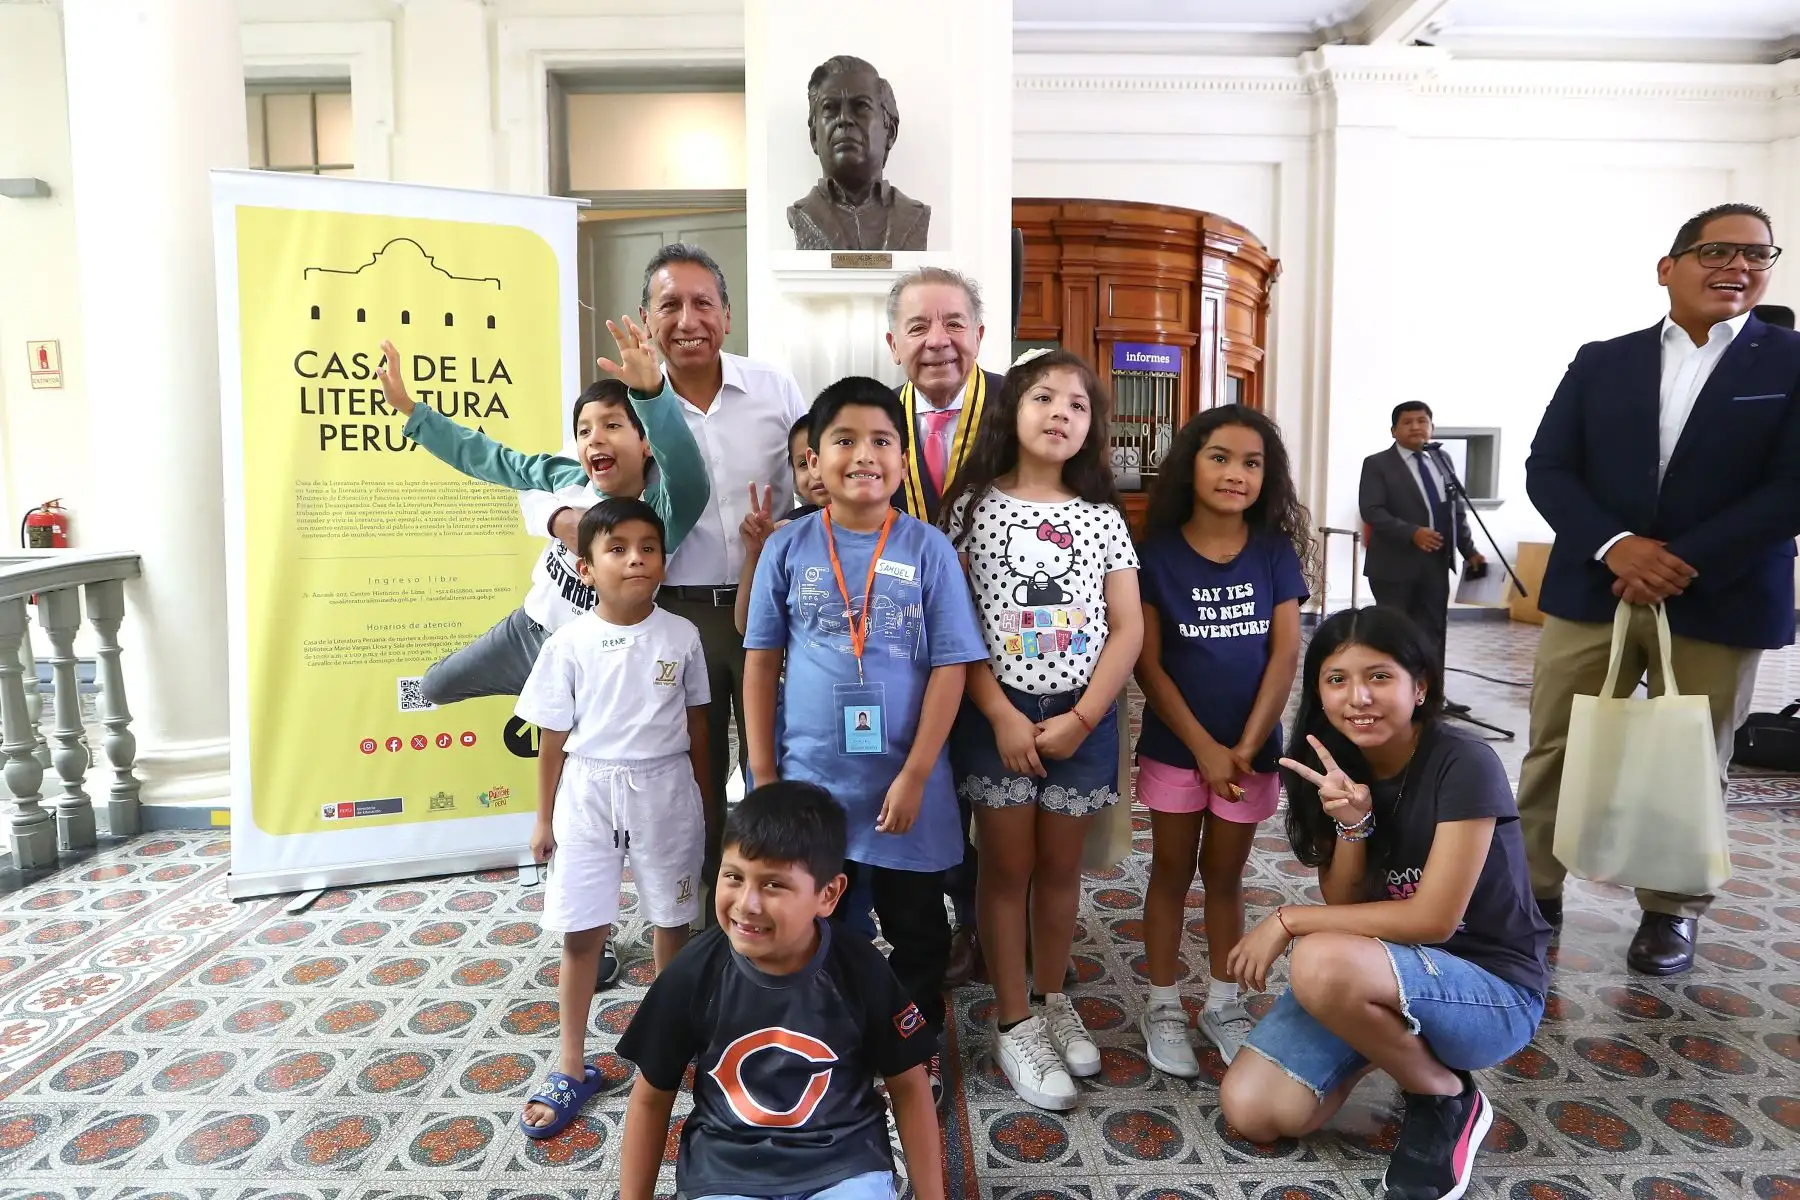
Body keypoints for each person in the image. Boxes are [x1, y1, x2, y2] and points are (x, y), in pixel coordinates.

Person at [377, 322, 708, 989]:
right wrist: (415, 415)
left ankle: (601, 933)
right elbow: (489, 457)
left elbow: (691, 472)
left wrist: (654, 396)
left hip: (594, 678)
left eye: (613, 424)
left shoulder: (660, 507)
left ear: (642, 439)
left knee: (591, 823)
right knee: (437, 684)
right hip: (529, 633)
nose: (595, 440)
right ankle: (502, 713)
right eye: (585, 428)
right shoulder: (565, 474)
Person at [1520, 202, 1800, 975]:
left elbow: (1790, 487)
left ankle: (1672, 911)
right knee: (1554, 747)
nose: (1737, 266)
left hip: (1721, 594)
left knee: (1694, 755)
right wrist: (1618, 548)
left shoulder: (1790, 361)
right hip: (1595, 589)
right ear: (1667, 266)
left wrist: (1678, 560)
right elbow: (1548, 467)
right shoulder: (1603, 359)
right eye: (1717, 250)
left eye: (1757, 254)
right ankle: (1536, 893)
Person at [1219, 607, 1550, 1200]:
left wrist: (1288, 919)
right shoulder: (1335, 769)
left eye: (1379, 676)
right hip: (1387, 971)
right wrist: (1354, 827)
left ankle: (1445, 1096)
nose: (1358, 697)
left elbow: (1432, 919)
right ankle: (1386, 1039)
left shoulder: (1462, 763)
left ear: (1419, 687)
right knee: (1256, 1109)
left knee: (1319, 961)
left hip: (1490, 992)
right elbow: (1346, 900)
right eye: (1337, 679)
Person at [521, 245, 808, 906]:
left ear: (727, 315)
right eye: (669, 305)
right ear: (647, 321)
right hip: (673, 614)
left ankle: (782, 903)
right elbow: (548, 478)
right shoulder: (625, 400)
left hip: (769, 609)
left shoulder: (773, 389)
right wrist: (569, 520)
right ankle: (702, 910)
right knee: (689, 776)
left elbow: (809, 476)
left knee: (778, 764)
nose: (688, 319)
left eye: (702, 302)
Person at [743, 376, 988, 1107]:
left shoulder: (930, 548)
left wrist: (916, 773)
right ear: (813, 461)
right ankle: (832, 1040)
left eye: (883, 440)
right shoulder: (788, 547)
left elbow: (952, 664)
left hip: (906, 790)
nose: (864, 456)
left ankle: (915, 1048)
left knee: (917, 933)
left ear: (903, 460)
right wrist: (765, 773)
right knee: (824, 928)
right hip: (813, 786)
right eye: (843, 441)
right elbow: (759, 660)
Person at [938, 349, 1141, 1111]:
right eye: (1044, 397)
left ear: (1092, 428)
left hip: (1082, 720)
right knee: (1006, 869)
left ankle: (1052, 997)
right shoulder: (972, 508)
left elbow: (1126, 630)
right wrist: (998, 711)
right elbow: (957, 625)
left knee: (1061, 871)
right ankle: (1013, 1014)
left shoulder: (1102, 517)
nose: (1061, 412)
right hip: (1000, 714)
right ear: (1011, 412)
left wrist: (1084, 717)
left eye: (1078, 404)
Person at [615, 781, 944, 1200]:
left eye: (773, 885)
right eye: (733, 876)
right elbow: (650, 1098)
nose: (747, 903)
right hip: (725, 1168)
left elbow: (910, 1087)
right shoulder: (694, 970)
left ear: (828, 894)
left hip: (844, 1164)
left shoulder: (859, 967)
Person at [510, 497, 712, 1139]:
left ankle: (668, 1047)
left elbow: (700, 726)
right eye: (616, 548)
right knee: (581, 928)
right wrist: (542, 819)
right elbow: (551, 735)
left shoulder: (682, 636)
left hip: (666, 787)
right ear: (585, 566)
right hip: (589, 790)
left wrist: (705, 805)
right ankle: (570, 1062)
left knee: (671, 923)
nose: (635, 560)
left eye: (648, 548)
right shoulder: (568, 643)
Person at [1133, 405, 1311, 1074]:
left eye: (1252, 462)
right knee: (1171, 873)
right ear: (1190, 464)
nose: (1236, 473)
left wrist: (1244, 744)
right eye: (1220, 457)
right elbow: (1148, 663)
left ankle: (1223, 1000)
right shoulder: (1156, 554)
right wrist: (1204, 749)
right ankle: (1160, 1002)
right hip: (1179, 748)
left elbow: (1285, 655)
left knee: (1227, 877)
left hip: (1250, 754)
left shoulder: (1273, 552)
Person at [887, 265, 1008, 985]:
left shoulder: (1018, 411)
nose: (938, 341)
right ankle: (942, 922)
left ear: (981, 334)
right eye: (920, 326)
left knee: (996, 793)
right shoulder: (872, 420)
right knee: (927, 786)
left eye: (954, 324)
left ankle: (998, 927)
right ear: (893, 341)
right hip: (903, 654)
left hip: (1005, 648)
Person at [1358, 402, 1484, 715]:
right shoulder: (1378, 464)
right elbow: (1372, 510)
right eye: (1407, 422)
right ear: (1394, 431)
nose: (1416, 427)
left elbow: (1456, 512)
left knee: (1433, 633)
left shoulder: (1442, 461)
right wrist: (1412, 532)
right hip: (1393, 566)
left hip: (1436, 563)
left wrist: (1469, 551)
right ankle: (1394, 698)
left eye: (1422, 421)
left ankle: (1433, 697)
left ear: (1432, 427)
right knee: (1396, 634)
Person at [788, 55, 930, 252]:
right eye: (830, 108)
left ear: (890, 132)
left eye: (861, 106)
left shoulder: (914, 216)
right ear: (814, 136)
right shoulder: (803, 214)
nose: (844, 119)